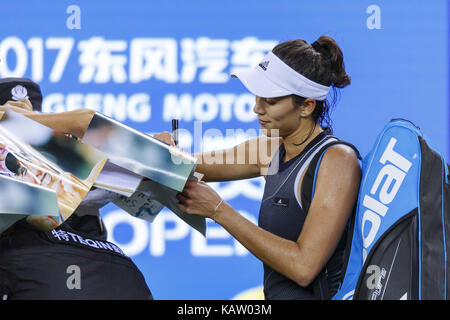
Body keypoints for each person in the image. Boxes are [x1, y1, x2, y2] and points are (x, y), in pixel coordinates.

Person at [172, 36, 362, 300]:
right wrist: (162, 150)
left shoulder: (337, 160)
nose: (256, 108)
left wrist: (219, 211)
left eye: (270, 101)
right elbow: (184, 166)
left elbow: (304, 267)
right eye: (257, 97)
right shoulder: (269, 148)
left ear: (307, 106)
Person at [0, 78, 155, 299]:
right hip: (115, 272)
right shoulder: (79, 160)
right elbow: (184, 169)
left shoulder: (75, 158)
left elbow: (182, 169)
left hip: (52, 270)